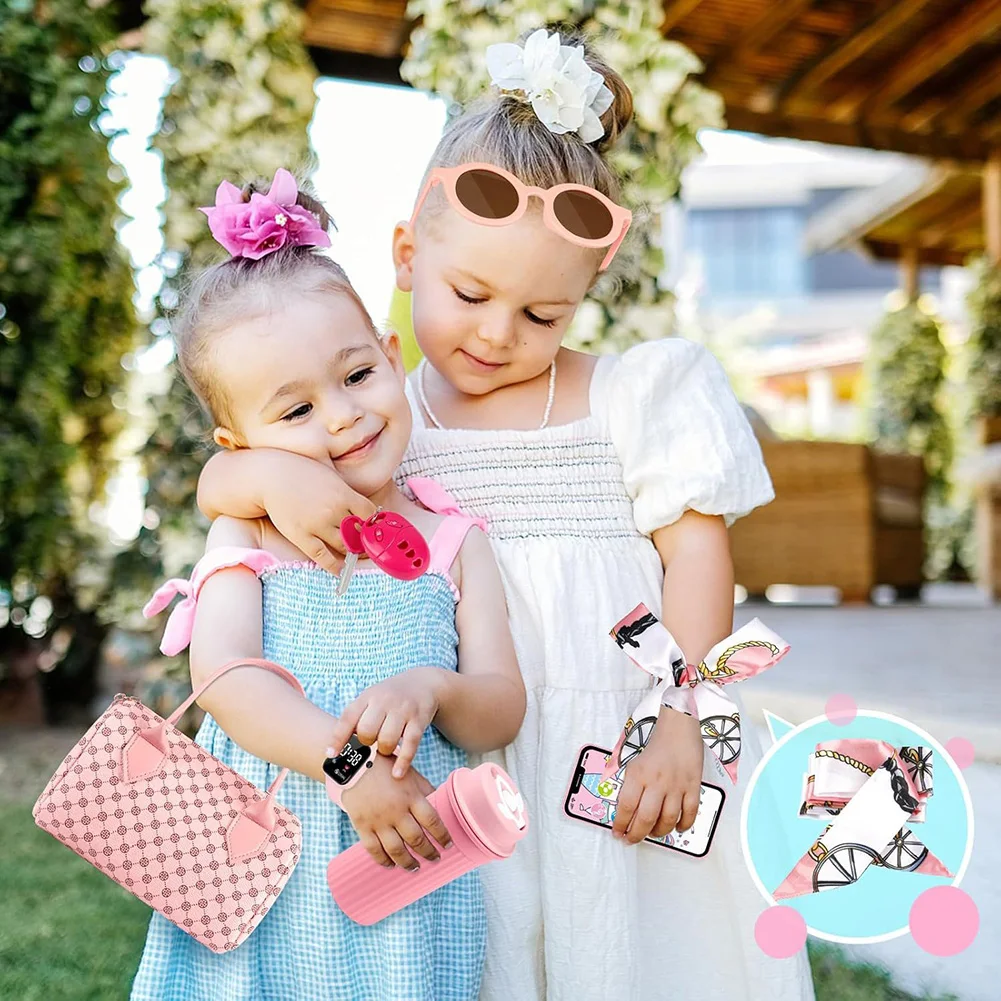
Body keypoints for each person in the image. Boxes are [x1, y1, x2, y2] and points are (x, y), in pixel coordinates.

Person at [197, 32, 815, 1001]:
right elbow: (228, 480)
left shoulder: (631, 395)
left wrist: (682, 720)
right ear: (408, 256)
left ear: (582, 296)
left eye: (540, 316)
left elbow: (698, 561)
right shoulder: (377, 414)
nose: (496, 333)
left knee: (638, 949)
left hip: (617, 733)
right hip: (463, 744)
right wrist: (267, 479)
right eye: (470, 294)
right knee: (488, 953)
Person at [131, 168, 525, 1001]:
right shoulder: (249, 532)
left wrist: (434, 685)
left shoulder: (452, 540)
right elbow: (226, 678)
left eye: (355, 376)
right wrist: (348, 767)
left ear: (390, 356)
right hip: (257, 863)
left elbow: (500, 707)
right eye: (295, 411)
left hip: (402, 868)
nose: (343, 415)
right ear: (239, 444)